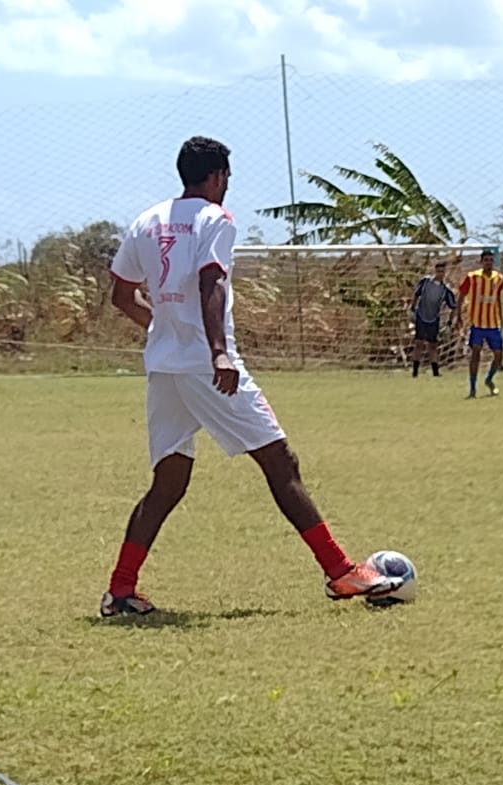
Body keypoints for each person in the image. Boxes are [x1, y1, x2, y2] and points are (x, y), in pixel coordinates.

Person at [101, 136, 404, 617]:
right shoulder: (215, 219)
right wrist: (219, 353)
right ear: (217, 176)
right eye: (227, 177)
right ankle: (341, 571)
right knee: (280, 461)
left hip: (164, 368)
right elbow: (212, 279)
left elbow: (121, 294)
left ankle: (120, 591)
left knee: (168, 483)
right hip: (206, 367)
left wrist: (163, 330)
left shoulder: (147, 220)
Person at [458, 248, 503, 397]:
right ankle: (472, 388)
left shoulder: (499, 278)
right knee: (476, 353)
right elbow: (461, 295)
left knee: (498, 355)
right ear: (481, 262)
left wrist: (501, 318)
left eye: (491, 260)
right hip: (477, 324)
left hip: (493, 324)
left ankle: (489, 379)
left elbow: (498, 298)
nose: (488, 263)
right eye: (486, 260)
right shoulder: (472, 277)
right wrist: (458, 314)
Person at [409, 259, 459, 378]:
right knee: (419, 343)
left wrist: (449, 323)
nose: (440, 274)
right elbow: (416, 295)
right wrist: (412, 309)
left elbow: (454, 307)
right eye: (438, 271)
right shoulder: (425, 282)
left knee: (433, 345)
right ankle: (415, 371)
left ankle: (435, 372)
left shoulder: (446, 290)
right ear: (435, 271)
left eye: (442, 271)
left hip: (434, 319)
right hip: (421, 316)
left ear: (445, 273)